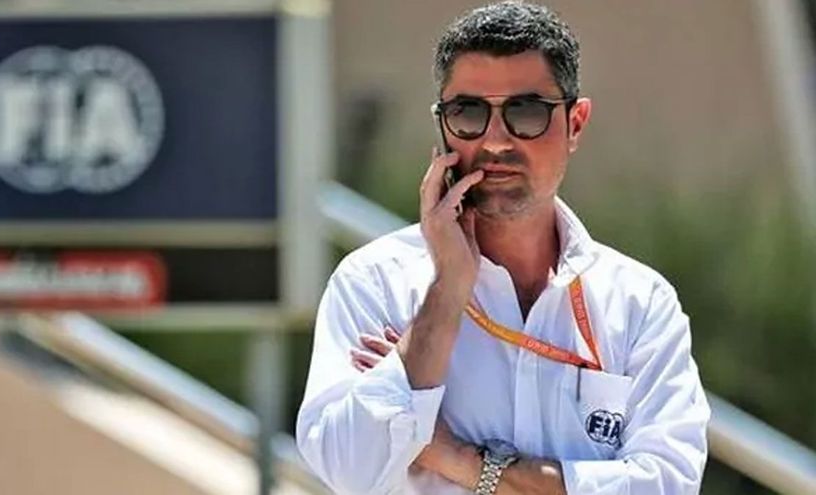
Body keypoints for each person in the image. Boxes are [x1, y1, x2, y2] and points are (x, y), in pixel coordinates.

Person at [296, 2, 710, 494]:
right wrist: (447, 292)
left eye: (526, 112)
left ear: (576, 123)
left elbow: (668, 485)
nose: (494, 141)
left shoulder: (639, 303)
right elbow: (348, 470)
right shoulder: (375, 282)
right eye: (468, 112)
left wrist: (460, 460)